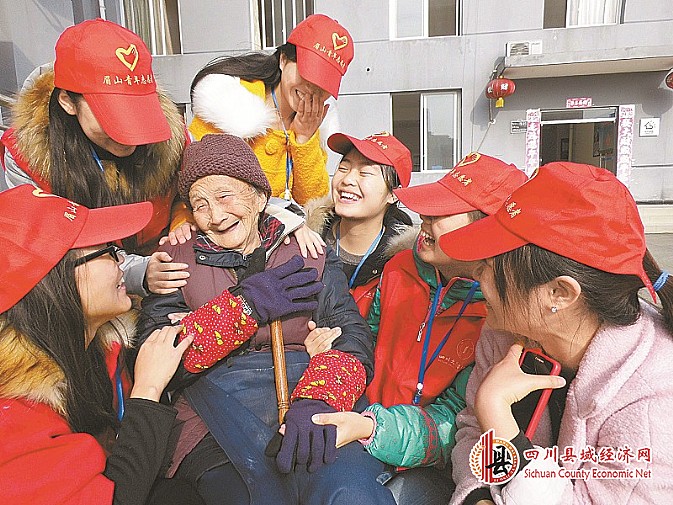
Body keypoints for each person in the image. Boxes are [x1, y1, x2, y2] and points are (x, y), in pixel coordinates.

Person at [137, 134, 395, 505]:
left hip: (306, 399)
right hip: (209, 418)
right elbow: (156, 358)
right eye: (200, 204)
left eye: (225, 196)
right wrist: (245, 307)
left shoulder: (307, 251)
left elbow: (351, 336)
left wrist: (319, 400)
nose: (216, 216)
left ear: (260, 197)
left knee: (350, 492)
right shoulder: (176, 259)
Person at [440, 162, 673, 504]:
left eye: (490, 265)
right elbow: (473, 433)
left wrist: (497, 415)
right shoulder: (506, 333)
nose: (475, 274)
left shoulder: (652, 401)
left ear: (559, 293)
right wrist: (478, 496)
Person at [312, 153, 528, 505]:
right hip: (358, 425)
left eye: (440, 213)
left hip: (429, 464)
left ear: (485, 230)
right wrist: (332, 354)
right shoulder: (399, 267)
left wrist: (372, 427)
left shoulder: (499, 318)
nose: (425, 219)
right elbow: (364, 340)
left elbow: (455, 424)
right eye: (427, 209)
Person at [0, 185, 202, 505]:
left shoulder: (95, 341)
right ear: (57, 281)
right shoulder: (15, 420)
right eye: (106, 252)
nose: (121, 262)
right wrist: (147, 389)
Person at [0, 18, 189, 295]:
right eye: (112, 114)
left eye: (136, 110)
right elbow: (50, 249)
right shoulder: (27, 157)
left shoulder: (174, 137)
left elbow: (194, 191)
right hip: (90, 293)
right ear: (68, 102)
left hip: (169, 275)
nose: (129, 134)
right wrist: (138, 272)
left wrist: (184, 214)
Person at [188, 14, 353, 204]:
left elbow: (314, 204)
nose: (311, 90)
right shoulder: (228, 106)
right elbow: (193, 188)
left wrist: (303, 140)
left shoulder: (314, 124)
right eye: (307, 75)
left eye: (323, 84)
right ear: (283, 60)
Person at [304, 131, 415, 317]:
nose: (347, 180)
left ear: (393, 194)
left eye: (364, 173)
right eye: (343, 168)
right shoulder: (305, 242)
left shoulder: (403, 268)